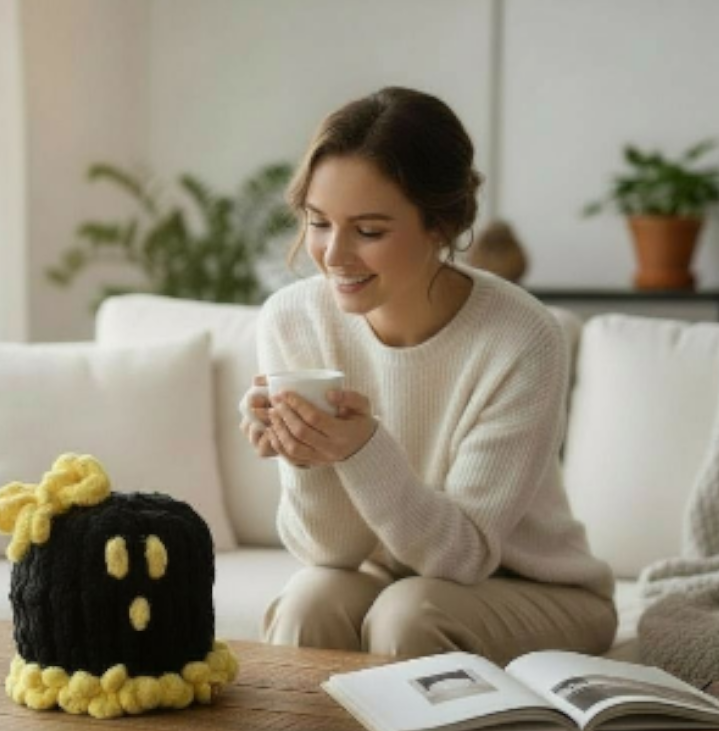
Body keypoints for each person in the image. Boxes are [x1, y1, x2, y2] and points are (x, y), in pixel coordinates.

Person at [239, 87, 616, 664]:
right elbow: (331, 553)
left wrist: (363, 448)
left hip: (536, 588)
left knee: (409, 615)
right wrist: (307, 453)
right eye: (318, 223)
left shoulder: (520, 336)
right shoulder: (292, 320)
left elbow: (462, 557)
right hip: (388, 575)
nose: (334, 254)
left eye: (368, 231)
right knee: (310, 601)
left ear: (439, 225)